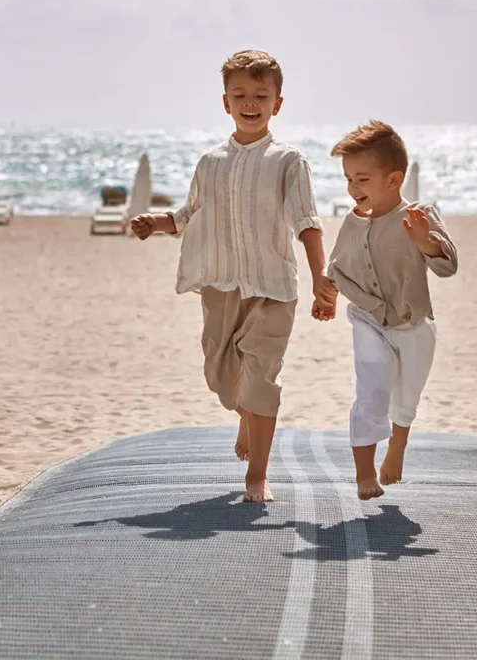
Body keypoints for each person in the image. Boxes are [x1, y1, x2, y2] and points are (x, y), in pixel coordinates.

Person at [130, 49, 336, 502]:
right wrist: (157, 222)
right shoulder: (210, 162)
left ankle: (257, 476)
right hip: (220, 286)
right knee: (222, 377)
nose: (250, 102)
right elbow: (189, 214)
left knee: (261, 376)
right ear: (225, 102)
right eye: (240, 93)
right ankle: (245, 414)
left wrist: (322, 279)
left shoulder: (289, 161)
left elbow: (307, 221)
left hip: (274, 287)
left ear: (277, 104)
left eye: (261, 95)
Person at [325, 121, 458, 499]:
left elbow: (447, 267)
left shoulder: (420, 215)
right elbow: (336, 268)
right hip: (367, 318)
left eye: (362, 179)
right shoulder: (352, 224)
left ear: (394, 179)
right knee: (371, 388)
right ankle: (364, 474)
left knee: (406, 396)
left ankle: (397, 444)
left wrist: (425, 241)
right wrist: (326, 291)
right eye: (348, 179)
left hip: (413, 324)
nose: (352, 188)